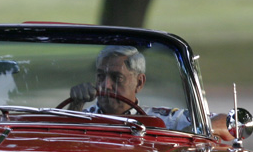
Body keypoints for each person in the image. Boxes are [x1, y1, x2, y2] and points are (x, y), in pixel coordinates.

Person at [68, 45, 233, 141]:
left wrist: (191, 132)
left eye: (117, 78)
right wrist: (75, 106)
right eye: (100, 76)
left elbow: (229, 123)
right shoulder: (80, 118)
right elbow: (60, 142)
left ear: (139, 83)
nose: (106, 85)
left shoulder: (166, 120)